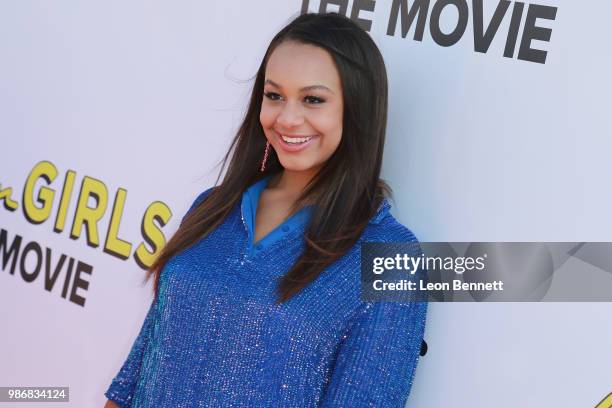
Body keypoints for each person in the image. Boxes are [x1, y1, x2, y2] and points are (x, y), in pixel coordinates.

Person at [104, 12, 427, 408]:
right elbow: (137, 373)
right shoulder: (212, 207)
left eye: (313, 99)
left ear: (356, 109)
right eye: (274, 95)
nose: (287, 118)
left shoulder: (390, 257)